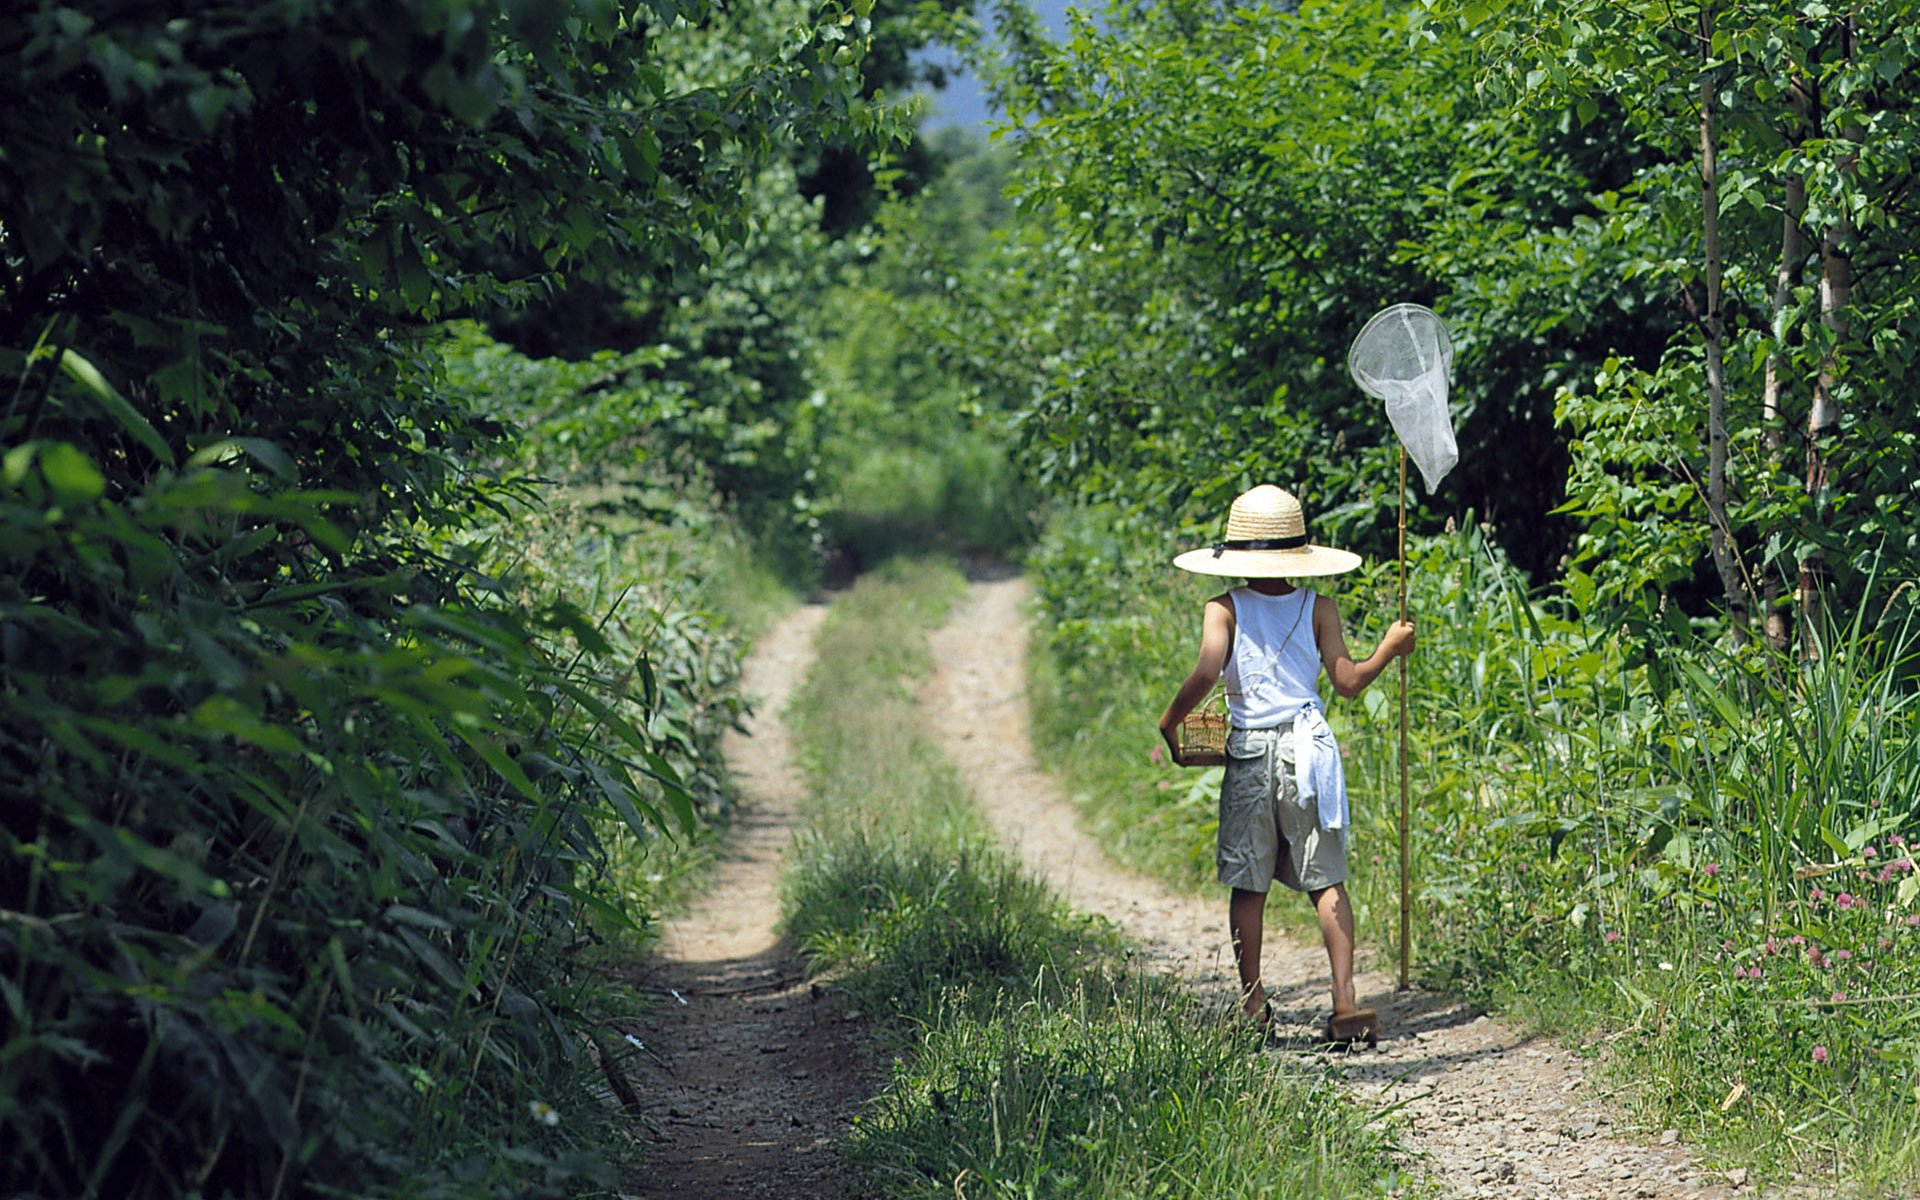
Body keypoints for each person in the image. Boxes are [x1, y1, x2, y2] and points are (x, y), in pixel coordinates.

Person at [1156, 484, 1415, 1046]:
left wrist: (1171, 721)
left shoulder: (1222, 608)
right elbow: (1346, 683)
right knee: (1326, 879)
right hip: (1307, 751)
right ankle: (1345, 1004)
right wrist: (1389, 649)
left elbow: (1205, 674)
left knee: (1249, 885)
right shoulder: (1318, 607)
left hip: (1249, 751)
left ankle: (1253, 1006)